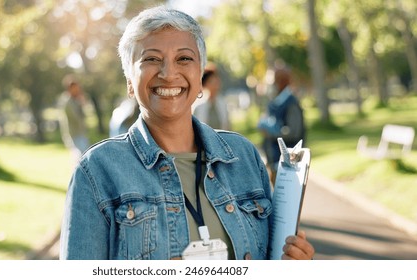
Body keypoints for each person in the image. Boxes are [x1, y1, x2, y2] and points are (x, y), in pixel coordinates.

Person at [60, 6, 314, 260]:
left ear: (200, 75)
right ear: (129, 81)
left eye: (183, 59)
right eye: (151, 59)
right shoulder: (95, 172)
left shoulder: (244, 157)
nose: (169, 74)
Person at [257, 67, 306, 186]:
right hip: (275, 161)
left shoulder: (291, 102)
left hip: (287, 165)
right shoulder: (278, 101)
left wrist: (271, 131)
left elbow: (294, 132)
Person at [58, 74, 90, 161]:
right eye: (75, 88)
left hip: (81, 133)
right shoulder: (67, 102)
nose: (77, 89)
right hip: (74, 134)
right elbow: (76, 118)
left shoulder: (75, 100)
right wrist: (80, 104)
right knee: (80, 158)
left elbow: (84, 115)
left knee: (82, 157)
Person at [192, 63, 230, 130]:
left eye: (217, 79)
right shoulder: (198, 106)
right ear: (206, 83)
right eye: (213, 80)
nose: (217, 82)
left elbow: (228, 127)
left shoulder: (223, 103)